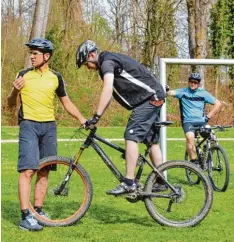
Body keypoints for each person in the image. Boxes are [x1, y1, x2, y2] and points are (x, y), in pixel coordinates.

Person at [7, 38, 86, 231]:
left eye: (35, 53)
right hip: (29, 126)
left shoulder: (56, 78)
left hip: (49, 127)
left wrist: (82, 119)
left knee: (44, 170)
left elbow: (66, 102)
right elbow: (10, 104)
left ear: (46, 56)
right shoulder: (23, 75)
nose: (32, 57)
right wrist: (14, 92)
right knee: (27, 170)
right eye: (31, 53)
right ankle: (26, 216)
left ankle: (38, 211)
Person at [76, 40, 166, 195]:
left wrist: (96, 116)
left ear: (91, 55)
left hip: (150, 98)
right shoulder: (109, 61)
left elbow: (107, 89)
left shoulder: (107, 62)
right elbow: (110, 96)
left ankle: (129, 182)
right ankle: (161, 181)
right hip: (152, 96)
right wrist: (98, 116)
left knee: (130, 136)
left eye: (86, 64)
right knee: (151, 142)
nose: (88, 68)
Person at [166, 73, 221, 163]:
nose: (193, 84)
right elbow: (171, 93)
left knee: (213, 139)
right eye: (191, 82)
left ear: (198, 84)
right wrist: (167, 90)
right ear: (188, 82)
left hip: (202, 122)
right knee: (190, 138)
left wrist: (208, 116)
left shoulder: (203, 93)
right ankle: (194, 162)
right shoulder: (183, 92)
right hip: (188, 122)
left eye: (195, 82)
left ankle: (207, 156)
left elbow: (218, 103)